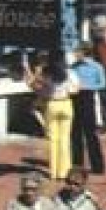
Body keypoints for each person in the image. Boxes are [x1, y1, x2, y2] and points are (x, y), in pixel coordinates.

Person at [31, 53, 79, 181]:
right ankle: (64, 171)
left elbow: (36, 87)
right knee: (65, 139)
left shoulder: (47, 74)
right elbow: (76, 90)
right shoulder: (70, 73)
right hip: (66, 103)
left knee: (53, 139)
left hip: (52, 104)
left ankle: (54, 172)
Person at [70, 44, 106, 174]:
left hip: (88, 98)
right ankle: (77, 164)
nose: (75, 54)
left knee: (90, 134)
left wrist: (86, 86)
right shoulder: (73, 67)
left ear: (84, 52)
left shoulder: (96, 66)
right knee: (75, 134)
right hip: (74, 98)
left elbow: (102, 84)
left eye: (77, 51)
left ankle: (98, 166)